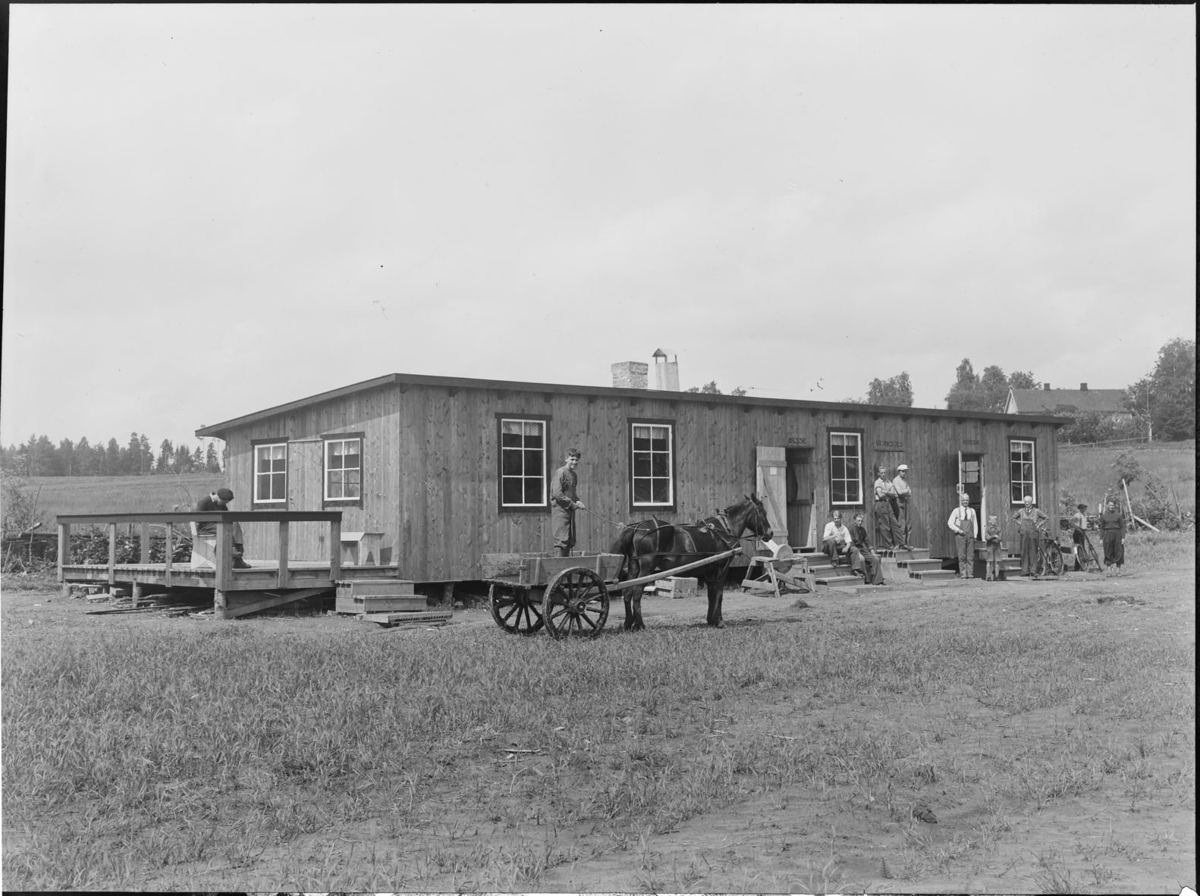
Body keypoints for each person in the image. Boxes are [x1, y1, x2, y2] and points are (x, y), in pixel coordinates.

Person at [192, 487, 249, 569]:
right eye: (224, 502)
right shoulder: (204, 502)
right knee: (225, 528)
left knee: (235, 524)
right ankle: (232, 551)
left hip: (218, 526)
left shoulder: (221, 504)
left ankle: (238, 557)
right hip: (205, 528)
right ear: (218, 497)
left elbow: (227, 517)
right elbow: (197, 519)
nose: (224, 504)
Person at [550, 448, 585, 557]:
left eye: (577, 460)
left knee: (569, 541)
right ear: (566, 459)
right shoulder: (560, 472)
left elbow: (572, 494)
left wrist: (578, 501)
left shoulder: (574, 475)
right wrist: (572, 504)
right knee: (561, 541)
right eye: (572, 459)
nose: (574, 462)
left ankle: (565, 570)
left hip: (570, 513)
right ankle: (558, 570)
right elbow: (557, 493)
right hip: (560, 512)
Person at [1011, 495, 1049, 577]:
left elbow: (1046, 518)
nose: (1027, 503)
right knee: (1024, 552)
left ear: (1031, 502)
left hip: (1033, 534)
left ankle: (1033, 571)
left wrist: (1038, 525)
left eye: (1028, 501)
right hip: (1024, 533)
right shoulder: (1021, 511)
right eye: (1025, 502)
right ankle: (1025, 571)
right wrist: (1020, 524)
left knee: (1033, 552)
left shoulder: (1037, 511)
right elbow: (1013, 518)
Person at [947, 492, 978, 578]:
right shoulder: (956, 511)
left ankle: (970, 574)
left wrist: (975, 535)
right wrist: (958, 530)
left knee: (970, 556)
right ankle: (963, 574)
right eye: (964, 500)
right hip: (960, 536)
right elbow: (950, 523)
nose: (965, 501)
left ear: (969, 501)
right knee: (962, 556)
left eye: (967, 500)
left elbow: (975, 524)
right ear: (961, 500)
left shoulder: (972, 511)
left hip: (970, 536)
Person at [848, 511, 884, 585]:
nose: (860, 522)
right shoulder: (850, 529)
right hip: (854, 550)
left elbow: (867, 542)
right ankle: (867, 580)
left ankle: (878, 581)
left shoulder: (862, 530)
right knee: (862, 560)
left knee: (875, 560)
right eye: (858, 521)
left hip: (862, 550)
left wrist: (873, 553)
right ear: (854, 520)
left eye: (861, 521)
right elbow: (851, 544)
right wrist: (859, 555)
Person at [873, 466, 902, 549]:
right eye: (881, 473)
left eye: (884, 472)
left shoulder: (888, 482)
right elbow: (880, 495)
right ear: (878, 474)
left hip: (888, 503)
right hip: (880, 504)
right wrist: (889, 492)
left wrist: (885, 491)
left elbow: (894, 494)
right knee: (885, 526)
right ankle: (889, 545)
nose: (883, 474)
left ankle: (900, 543)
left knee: (895, 523)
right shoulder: (877, 482)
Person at [1098, 498, 1126, 576]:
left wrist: (1123, 537)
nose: (1111, 506)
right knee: (1108, 552)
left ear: (1115, 506)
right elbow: (1102, 528)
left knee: (1119, 552)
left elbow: (1122, 527)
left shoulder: (1119, 515)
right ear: (1107, 506)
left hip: (1117, 534)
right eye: (1110, 505)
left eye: (1112, 505)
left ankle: (1118, 571)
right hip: (1107, 534)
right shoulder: (1104, 516)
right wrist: (1101, 538)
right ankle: (1109, 571)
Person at [891, 464, 914, 549]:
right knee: (901, 523)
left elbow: (910, 492)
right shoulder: (895, 480)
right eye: (903, 471)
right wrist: (906, 491)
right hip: (899, 501)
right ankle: (901, 543)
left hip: (906, 501)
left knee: (908, 523)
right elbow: (899, 492)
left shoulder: (905, 481)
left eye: (905, 471)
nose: (904, 473)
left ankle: (907, 543)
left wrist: (905, 491)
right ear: (899, 471)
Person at [984, 515, 1003, 581]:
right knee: (989, 561)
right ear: (989, 521)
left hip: (997, 546)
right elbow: (986, 537)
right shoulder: (987, 528)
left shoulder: (999, 529)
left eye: (994, 520)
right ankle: (988, 576)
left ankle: (997, 576)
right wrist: (994, 536)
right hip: (990, 546)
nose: (993, 522)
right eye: (991, 520)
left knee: (997, 561)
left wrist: (993, 538)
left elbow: (1000, 538)